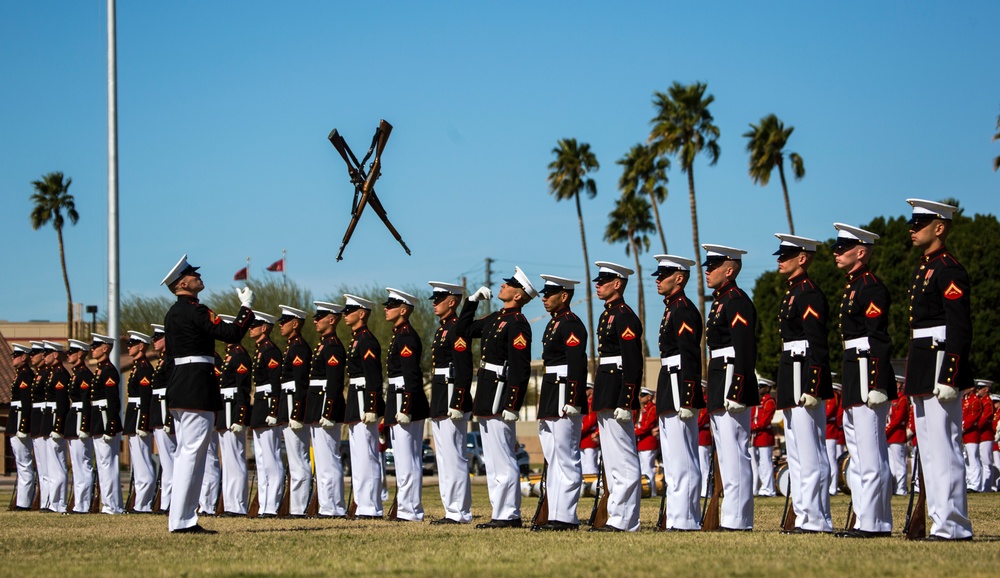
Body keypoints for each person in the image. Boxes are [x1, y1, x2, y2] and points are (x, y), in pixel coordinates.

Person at [160, 254, 254, 533]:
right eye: (194, 275)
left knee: (186, 455)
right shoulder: (195, 310)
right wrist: (246, 308)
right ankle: (182, 521)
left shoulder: (173, 313)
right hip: (196, 386)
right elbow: (232, 333)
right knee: (192, 454)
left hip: (181, 386)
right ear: (183, 283)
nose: (200, 277)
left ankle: (181, 518)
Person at [903, 198, 973, 541]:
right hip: (922, 362)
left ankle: (953, 524)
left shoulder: (949, 268)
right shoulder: (924, 267)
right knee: (929, 449)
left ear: (940, 227)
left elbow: (959, 327)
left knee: (945, 446)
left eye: (920, 225)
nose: (913, 230)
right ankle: (938, 521)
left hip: (940, 362)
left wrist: (951, 374)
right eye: (913, 225)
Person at [829, 223, 895, 538]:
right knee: (858, 452)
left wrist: (878, 383)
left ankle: (875, 522)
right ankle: (863, 518)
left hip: (867, 370)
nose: (836, 252)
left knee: (871, 453)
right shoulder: (853, 285)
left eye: (843, 248)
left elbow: (878, 338)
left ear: (861, 251)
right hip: (854, 369)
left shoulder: (870, 287)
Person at [457, 267, 535, 529]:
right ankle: (499, 512)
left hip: (501, 391)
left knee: (503, 455)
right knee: (492, 458)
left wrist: (513, 403)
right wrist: (471, 301)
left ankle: (509, 514)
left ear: (519, 294)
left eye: (510, 284)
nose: (503, 285)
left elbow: (521, 367)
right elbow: (464, 330)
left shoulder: (518, 324)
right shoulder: (497, 317)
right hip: (488, 389)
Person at [772, 234, 834, 535]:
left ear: (804, 258)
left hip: (803, 373)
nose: (780, 259)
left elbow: (817, 343)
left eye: (786, 255)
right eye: (780, 255)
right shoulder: (793, 292)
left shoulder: (808, 293)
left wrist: (814, 383)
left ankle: (817, 518)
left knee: (811, 453)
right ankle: (804, 514)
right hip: (791, 372)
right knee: (796, 453)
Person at [702, 244, 758, 531]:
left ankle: (738, 519)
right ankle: (731, 516)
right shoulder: (721, 301)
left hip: (731, 378)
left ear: (730, 269)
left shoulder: (736, 300)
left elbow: (744, 349)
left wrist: (738, 387)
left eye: (713, 267)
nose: (707, 272)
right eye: (707, 267)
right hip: (719, 378)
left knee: (736, 452)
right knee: (726, 453)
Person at [588, 261, 643, 533]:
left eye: (604, 280)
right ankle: (615, 516)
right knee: (611, 459)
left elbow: (633, 361)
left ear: (618, 284)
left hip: (617, 389)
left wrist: (627, 399)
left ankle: (626, 519)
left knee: (623, 458)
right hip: (606, 389)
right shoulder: (608, 314)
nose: (598, 285)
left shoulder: (624, 316)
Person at [651, 254, 704, 529]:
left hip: (679, 383)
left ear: (680, 278)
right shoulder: (672, 308)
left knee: (683, 456)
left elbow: (690, 355)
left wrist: (688, 395)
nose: (658, 280)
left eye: (663, 276)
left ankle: (686, 517)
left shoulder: (683, 309)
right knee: (672, 458)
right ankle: (676, 515)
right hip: (668, 382)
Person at [533, 274, 588, 531]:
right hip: (551, 391)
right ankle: (555, 513)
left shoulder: (571, 324)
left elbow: (577, 364)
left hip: (565, 391)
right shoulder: (555, 323)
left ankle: (566, 516)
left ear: (564, 296)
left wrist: (574, 399)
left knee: (566, 456)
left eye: (549, 294)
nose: (544, 298)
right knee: (553, 456)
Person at [426, 282, 474, 525]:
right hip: (441, 395)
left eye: (439, 299)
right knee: (444, 458)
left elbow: (464, 369)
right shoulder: (443, 329)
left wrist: (458, 400)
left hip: (452, 395)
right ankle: (450, 509)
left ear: (452, 302)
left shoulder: (457, 328)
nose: (434, 303)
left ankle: (459, 511)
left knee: (454, 456)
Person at [382, 288, 430, 522]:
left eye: (390, 306)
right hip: (397, 397)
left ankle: (410, 510)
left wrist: (406, 408)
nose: (385, 309)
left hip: (405, 399)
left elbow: (412, 376)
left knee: (408, 458)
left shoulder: (407, 336)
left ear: (403, 310)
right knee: (402, 459)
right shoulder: (399, 335)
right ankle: (406, 507)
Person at [342, 293, 385, 519]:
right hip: (355, 398)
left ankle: (371, 507)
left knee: (367, 456)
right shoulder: (357, 339)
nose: (345, 315)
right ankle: (362, 504)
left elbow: (373, 376)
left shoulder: (367, 340)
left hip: (363, 400)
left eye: (349, 311)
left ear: (361, 313)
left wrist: (372, 405)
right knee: (358, 456)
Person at [308, 301, 348, 518]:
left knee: (329, 459)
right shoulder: (324, 344)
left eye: (320, 316)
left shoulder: (332, 345)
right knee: (322, 461)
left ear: (331, 320)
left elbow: (334, 382)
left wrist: (329, 411)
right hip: (318, 404)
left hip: (325, 404)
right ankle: (326, 505)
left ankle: (334, 507)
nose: (315, 320)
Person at [276, 305, 313, 518]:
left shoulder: (299, 347)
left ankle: (300, 508)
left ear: (296, 324)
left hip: (294, 408)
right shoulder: (291, 347)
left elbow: (300, 383)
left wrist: (297, 413)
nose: (281, 325)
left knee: (299, 460)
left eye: (285, 321)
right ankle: (296, 506)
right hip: (287, 405)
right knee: (294, 459)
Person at [214, 314, 253, 516]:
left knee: (235, 459)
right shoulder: (230, 356)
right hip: (225, 411)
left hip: (232, 413)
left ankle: (237, 505)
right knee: (228, 461)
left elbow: (242, 390)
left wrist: (239, 418)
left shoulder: (240, 356)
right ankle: (230, 503)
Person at [248, 310, 283, 518]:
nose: (250, 329)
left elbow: (275, 382)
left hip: (268, 401)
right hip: (260, 402)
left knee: (271, 458)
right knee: (261, 459)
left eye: (254, 326)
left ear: (264, 328)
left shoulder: (271, 351)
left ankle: (273, 505)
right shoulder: (260, 350)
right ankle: (264, 504)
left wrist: (274, 410)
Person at [89, 333, 124, 514]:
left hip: (104, 420)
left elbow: (113, 400)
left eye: (95, 346)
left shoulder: (109, 370)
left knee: (106, 464)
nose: (92, 350)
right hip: (98, 419)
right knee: (104, 464)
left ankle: (111, 505)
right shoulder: (100, 369)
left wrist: (111, 425)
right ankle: (112, 504)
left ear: (105, 348)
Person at [123, 331, 156, 514]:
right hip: (133, 416)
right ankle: (140, 503)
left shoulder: (144, 368)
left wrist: (144, 423)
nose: (129, 346)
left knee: (143, 461)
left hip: (138, 417)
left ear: (142, 346)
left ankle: (143, 504)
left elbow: (145, 398)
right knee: (138, 460)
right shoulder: (137, 367)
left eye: (133, 343)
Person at [149, 324, 177, 514]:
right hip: (159, 414)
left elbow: (172, 392)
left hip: (166, 414)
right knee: (166, 463)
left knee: (171, 462)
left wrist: (168, 420)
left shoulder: (170, 360)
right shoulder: (162, 361)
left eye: (158, 337)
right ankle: (167, 502)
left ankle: (171, 502)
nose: (154, 341)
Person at [65, 339, 95, 513]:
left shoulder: (83, 374)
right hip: (74, 418)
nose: (69, 355)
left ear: (81, 354)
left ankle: (83, 504)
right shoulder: (77, 373)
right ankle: (79, 502)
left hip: (79, 419)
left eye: (72, 352)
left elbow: (85, 401)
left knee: (83, 463)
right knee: (77, 465)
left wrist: (84, 426)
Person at [40, 341, 70, 513]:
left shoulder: (60, 375)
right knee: (51, 465)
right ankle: (53, 501)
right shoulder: (52, 374)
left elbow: (61, 403)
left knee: (57, 465)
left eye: (47, 353)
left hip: (54, 421)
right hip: (48, 419)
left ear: (56, 354)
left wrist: (58, 427)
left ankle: (58, 503)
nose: (44, 356)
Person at [8, 344, 36, 510]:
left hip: (20, 419)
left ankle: (24, 503)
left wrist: (24, 426)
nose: (13, 358)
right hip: (16, 418)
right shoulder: (20, 375)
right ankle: (21, 501)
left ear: (24, 357)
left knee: (24, 463)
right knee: (21, 463)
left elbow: (26, 403)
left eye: (16, 355)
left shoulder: (26, 375)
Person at [29, 341, 51, 511]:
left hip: (45, 420)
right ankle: (44, 500)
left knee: (48, 466)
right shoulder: (40, 374)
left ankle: (48, 501)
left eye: (35, 354)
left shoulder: (47, 375)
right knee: (42, 467)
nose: (33, 357)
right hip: (38, 421)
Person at [751, 379, 776, 497]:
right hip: (756, 435)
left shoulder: (769, 402)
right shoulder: (758, 401)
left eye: (762, 387)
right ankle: (761, 488)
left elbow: (765, 420)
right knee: (758, 464)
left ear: (767, 388)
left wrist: (754, 427)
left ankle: (769, 489)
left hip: (764, 435)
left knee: (766, 463)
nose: (759, 389)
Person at [886, 376, 910, 496]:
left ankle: (901, 488)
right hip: (890, 436)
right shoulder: (892, 398)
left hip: (897, 435)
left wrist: (887, 430)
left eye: (896, 383)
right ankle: (895, 487)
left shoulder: (902, 399)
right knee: (891, 463)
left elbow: (898, 419)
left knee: (899, 463)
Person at [961, 387, 982, 492]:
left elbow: (972, 417)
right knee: (967, 460)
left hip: (971, 434)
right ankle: (969, 482)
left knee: (973, 459)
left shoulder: (975, 401)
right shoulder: (965, 400)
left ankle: (975, 484)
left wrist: (962, 427)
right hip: (965, 435)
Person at [975, 380, 995, 492]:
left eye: (980, 388)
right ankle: (983, 486)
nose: (978, 390)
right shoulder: (981, 401)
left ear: (986, 389)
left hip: (986, 435)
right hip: (980, 435)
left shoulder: (987, 402)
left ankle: (987, 487)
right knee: (982, 461)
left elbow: (984, 418)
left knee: (986, 462)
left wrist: (975, 426)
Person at [825, 383, 844, 496]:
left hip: (830, 431)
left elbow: (828, 412)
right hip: (826, 430)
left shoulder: (833, 396)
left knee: (832, 460)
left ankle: (833, 487)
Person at [580, 384, 600, 477]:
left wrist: (578, 431)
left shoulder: (592, 403)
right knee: (584, 465)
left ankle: (593, 487)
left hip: (589, 438)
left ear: (591, 391)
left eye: (587, 389)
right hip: (583, 438)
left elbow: (590, 421)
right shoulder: (586, 403)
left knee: (590, 465)